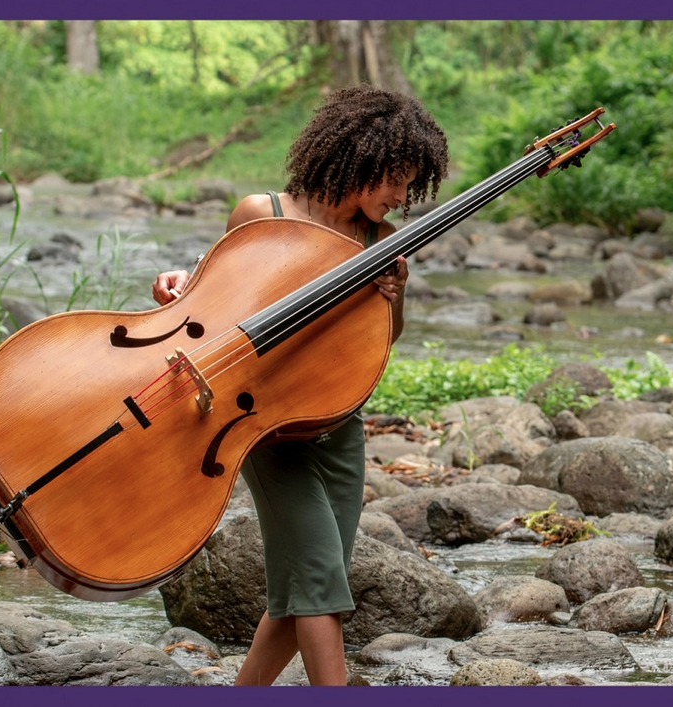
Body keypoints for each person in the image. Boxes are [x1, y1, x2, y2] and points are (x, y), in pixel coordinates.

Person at [151, 85, 450, 686]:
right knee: (319, 585)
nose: (398, 197)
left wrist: (397, 295)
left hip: (339, 426)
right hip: (264, 422)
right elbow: (212, 302)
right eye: (394, 180)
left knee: (305, 587)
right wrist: (176, 286)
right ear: (358, 159)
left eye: (408, 186)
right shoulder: (262, 214)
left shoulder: (382, 242)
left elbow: (380, 342)